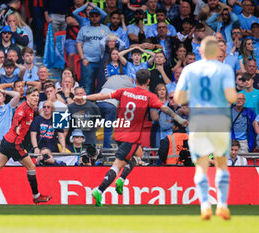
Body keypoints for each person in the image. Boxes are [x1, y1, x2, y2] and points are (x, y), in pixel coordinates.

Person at [74, 69, 187, 207]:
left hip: (120, 134)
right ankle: (100, 189)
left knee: (139, 155)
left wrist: (84, 98)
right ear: (148, 81)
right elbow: (165, 109)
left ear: (135, 80)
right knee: (117, 165)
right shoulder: (149, 96)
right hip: (131, 138)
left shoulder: (123, 92)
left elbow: (102, 96)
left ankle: (121, 179)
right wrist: (178, 119)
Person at [174, 36, 237, 220]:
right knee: (221, 164)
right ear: (218, 51)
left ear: (200, 51)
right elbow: (232, 97)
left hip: (199, 120)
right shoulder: (224, 69)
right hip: (219, 120)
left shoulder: (190, 69)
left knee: (201, 166)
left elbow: (178, 98)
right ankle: (223, 205)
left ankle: (204, 206)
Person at [77, 8, 110, 94]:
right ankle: (86, 105)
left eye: (96, 16)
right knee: (87, 85)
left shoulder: (106, 29)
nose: (94, 18)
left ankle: (98, 105)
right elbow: (79, 44)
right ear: (89, 17)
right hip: (88, 61)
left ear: (100, 17)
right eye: (92, 16)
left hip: (102, 62)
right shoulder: (84, 29)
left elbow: (111, 44)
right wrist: (83, 59)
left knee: (102, 85)